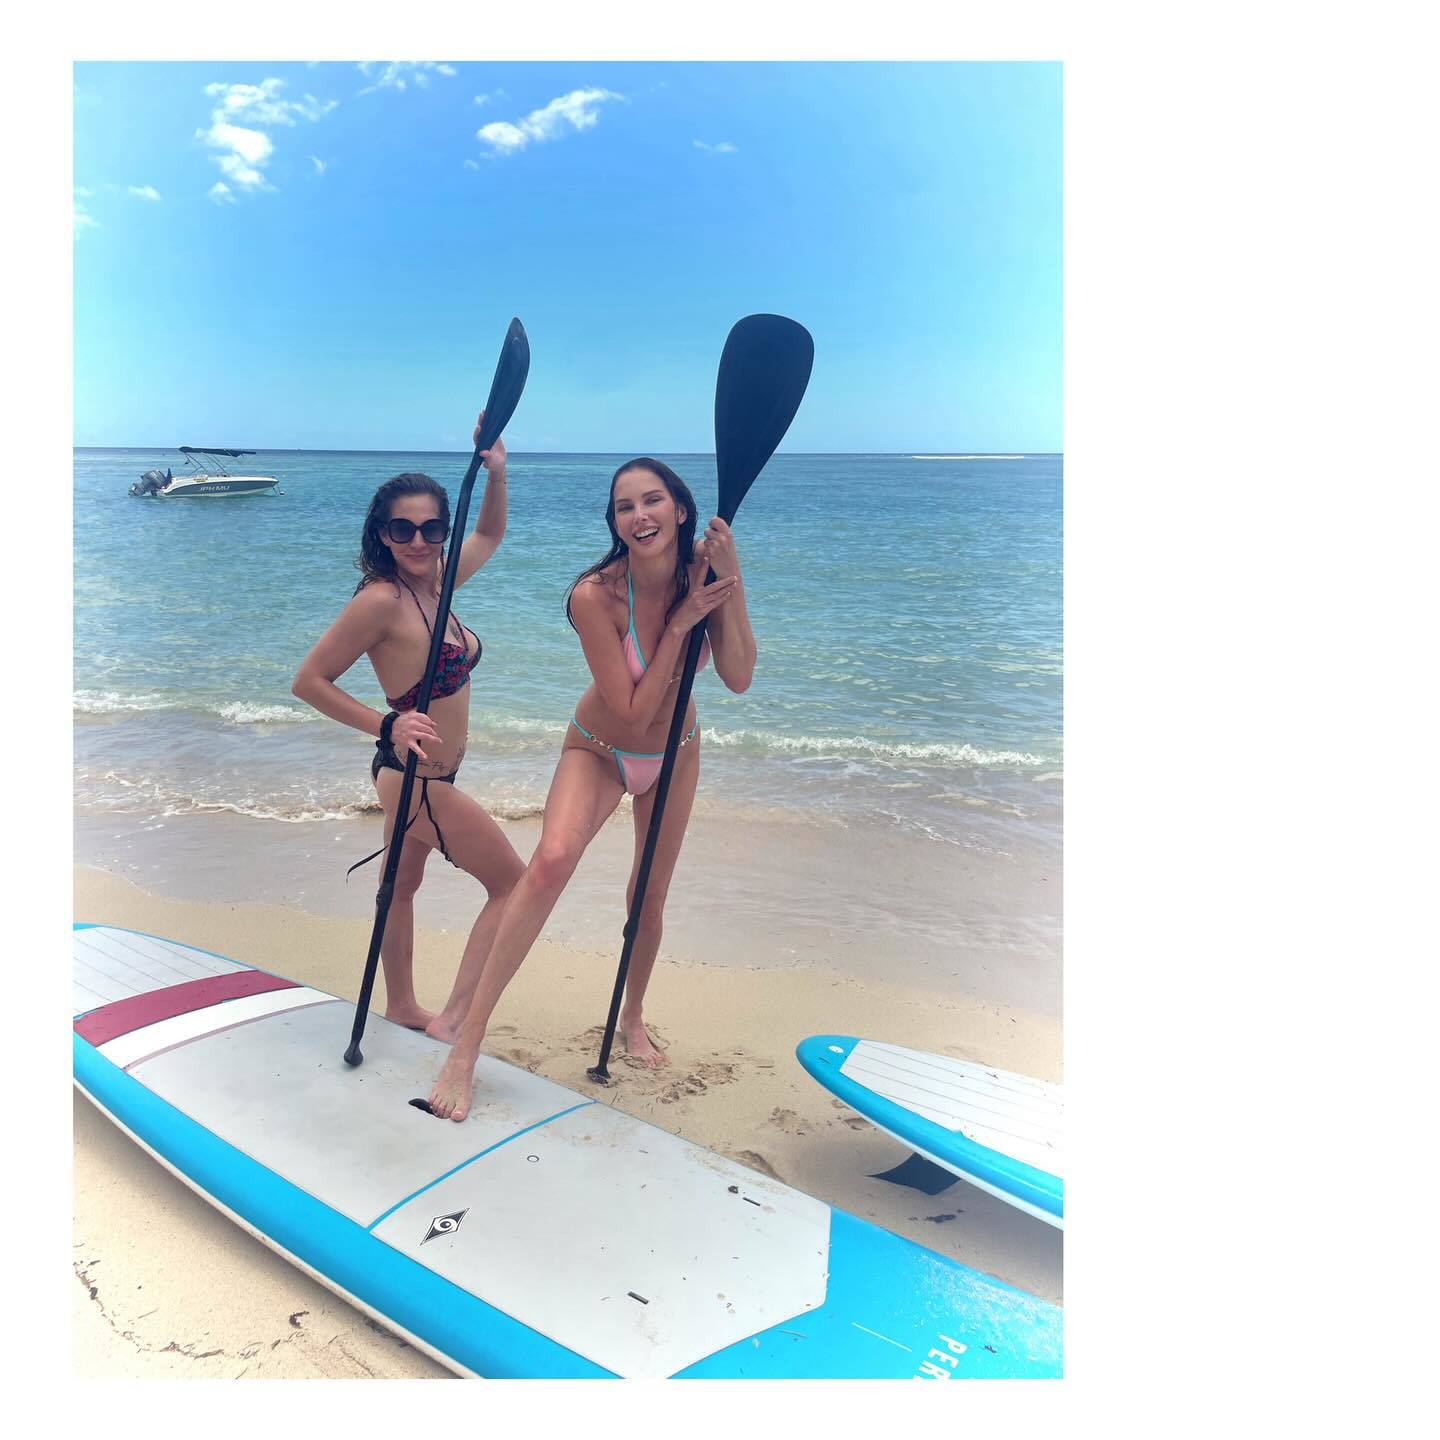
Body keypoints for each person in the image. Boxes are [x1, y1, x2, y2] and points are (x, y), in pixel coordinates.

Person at [426, 457, 754, 1120]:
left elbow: (739, 676)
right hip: (601, 748)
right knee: (549, 862)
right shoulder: (594, 596)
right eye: (624, 506)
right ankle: (465, 1044)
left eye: (652, 500)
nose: (639, 516)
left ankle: (632, 1018)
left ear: (680, 509)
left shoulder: (704, 574)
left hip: (677, 751)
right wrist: (681, 625)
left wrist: (731, 581)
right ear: (614, 521)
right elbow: (630, 714)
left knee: (648, 897)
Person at [292, 415, 525, 1042]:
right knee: (514, 884)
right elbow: (309, 681)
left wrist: (497, 473)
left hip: (432, 774)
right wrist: (387, 723)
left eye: (432, 528)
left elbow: (490, 532)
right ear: (383, 534)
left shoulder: (439, 582)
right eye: (403, 529)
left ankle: (400, 1006)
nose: (419, 541)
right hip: (412, 776)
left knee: (399, 887)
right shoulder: (382, 601)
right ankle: (453, 1020)